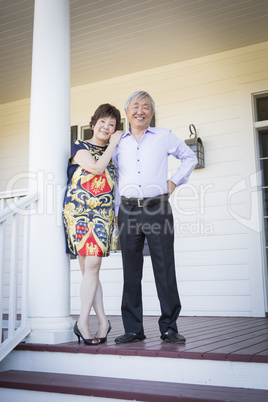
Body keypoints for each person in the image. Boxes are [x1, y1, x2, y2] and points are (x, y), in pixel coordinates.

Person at [113, 91, 197, 344]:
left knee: (164, 268)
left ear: (151, 112)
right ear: (126, 112)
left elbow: (189, 157)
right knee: (131, 271)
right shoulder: (117, 142)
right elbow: (114, 177)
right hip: (126, 211)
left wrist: (173, 182)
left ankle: (169, 326)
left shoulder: (164, 136)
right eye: (135, 106)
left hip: (157, 208)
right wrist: (117, 213)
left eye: (146, 107)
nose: (141, 111)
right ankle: (133, 329)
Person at [63, 104, 123, 345]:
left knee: (92, 269)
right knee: (92, 267)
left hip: (103, 213)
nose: (106, 127)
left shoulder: (114, 154)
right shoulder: (79, 146)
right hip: (78, 211)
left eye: (112, 125)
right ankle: (85, 322)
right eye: (103, 122)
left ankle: (100, 321)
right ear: (93, 123)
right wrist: (113, 144)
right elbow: (96, 168)